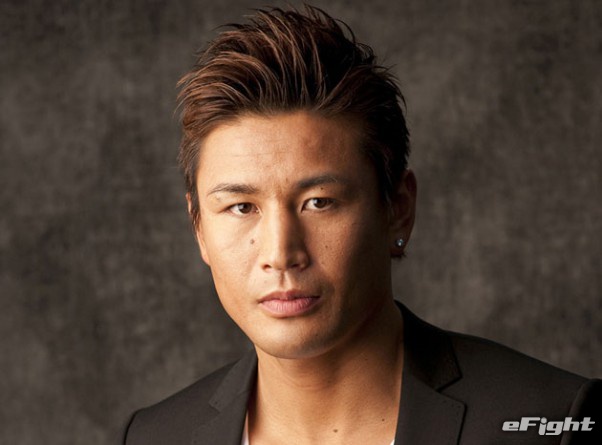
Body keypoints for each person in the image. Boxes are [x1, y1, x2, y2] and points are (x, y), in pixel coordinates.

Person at [124, 6, 600, 445]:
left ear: (398, 209)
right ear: (198, 227)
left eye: (319, 202)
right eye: (241, 207)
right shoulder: (153, 437)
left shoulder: (554, 421)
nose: (281, 253)